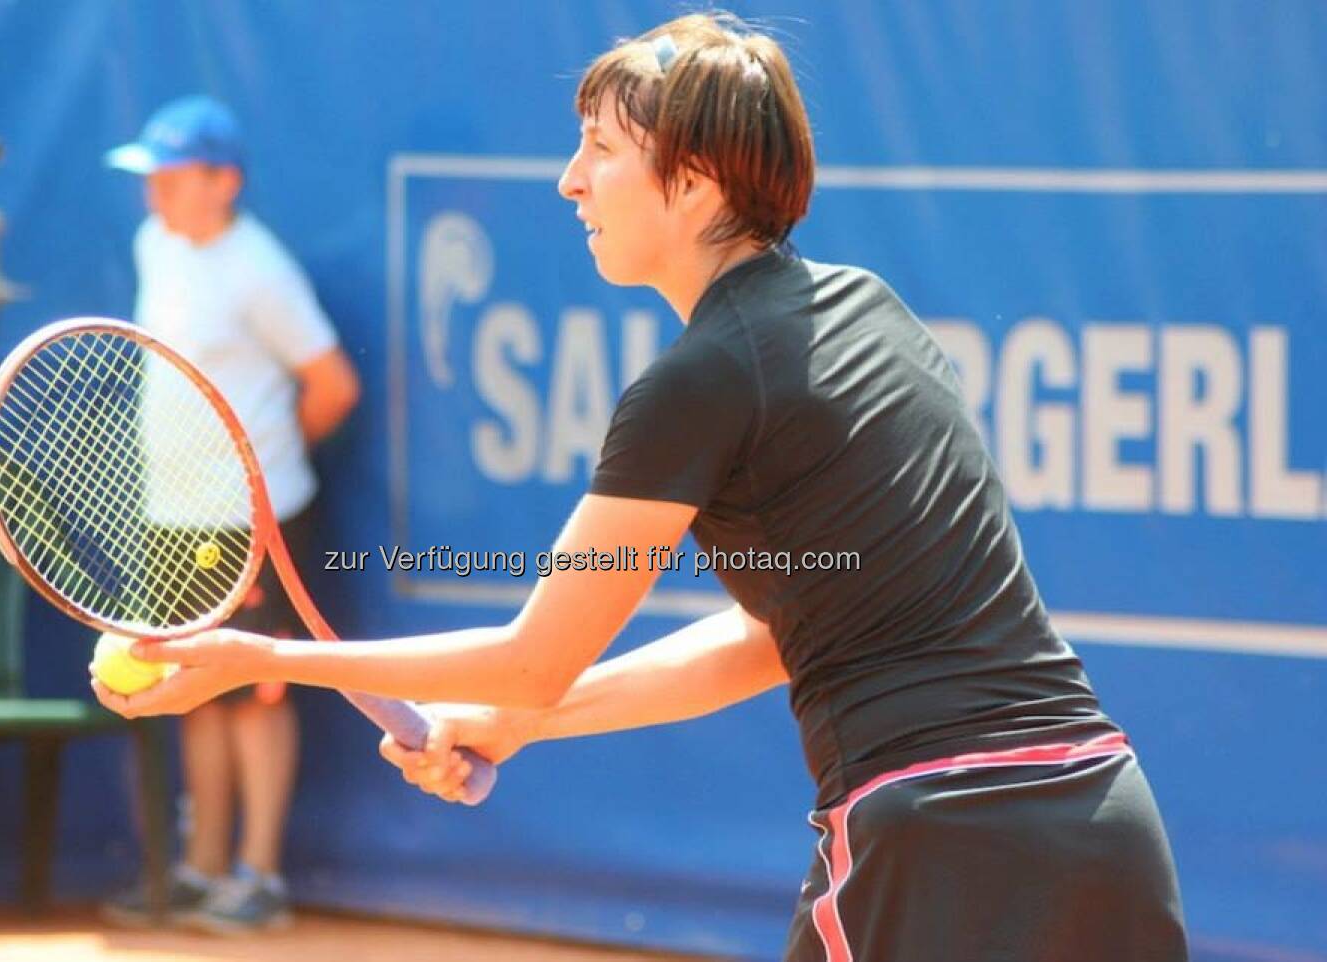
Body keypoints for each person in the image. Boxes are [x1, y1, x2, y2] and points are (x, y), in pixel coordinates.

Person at [92, 20, 1188, 960]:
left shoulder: (697, 380)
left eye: (602, 149)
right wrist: (514, 724)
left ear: (696, 181)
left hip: (939, 838)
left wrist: (264, 656)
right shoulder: (869, 310)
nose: (570, 178)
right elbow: (763, 639)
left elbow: (537, 648)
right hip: (1100, 819)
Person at [98, 95, 360, 935]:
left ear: (224, 182)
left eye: (172, 176)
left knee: (257, 694)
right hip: (168, 513)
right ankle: (200, 870)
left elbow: (333, 386)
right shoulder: (155, 244)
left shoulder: (259, 268)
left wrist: (264, 476)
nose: (156, 194)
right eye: (152, 177)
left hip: (252, 522)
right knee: (193, 692)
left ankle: (260, 877)